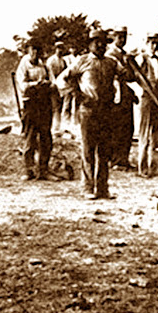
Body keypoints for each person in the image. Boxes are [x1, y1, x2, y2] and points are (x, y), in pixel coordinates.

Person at [60, 29, 134, 199]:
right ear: (90, 44)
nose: (100, 45)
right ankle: (87, 188)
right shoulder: (82, 61)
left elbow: (127, 76)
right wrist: (76, 93)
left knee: (104, 151)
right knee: (88, 149)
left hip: (106, 111)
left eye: (103, 42)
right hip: (88, 110)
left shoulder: (111, 62)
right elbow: (63, 79)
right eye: (96, 42)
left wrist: (129, 64)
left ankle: (102, 188)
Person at [15, 42, 54, 181]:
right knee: (30, 136)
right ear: (29, 50)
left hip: (44, 104)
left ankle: (43, 169)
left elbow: (53, 82)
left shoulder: (44, 65)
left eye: (38, 50)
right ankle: (29, 170)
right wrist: (36, 84)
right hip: (30, 104)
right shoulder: (24, 64)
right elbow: (22, 85)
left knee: (45, 137)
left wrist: (47, 84)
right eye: (33, 50)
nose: (35, 53)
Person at [106, 26, 138, 170]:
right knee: (116, 128)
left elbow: (130, 77)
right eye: (119, 37)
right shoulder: (110, 54)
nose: (122, 40)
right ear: (114, 37)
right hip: (115, 93)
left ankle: (123, 159)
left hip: (125, 93)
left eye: (124, 37)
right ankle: (115, 160)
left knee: (127, 127)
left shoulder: (125, 54)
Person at [136, 33, 158, 177]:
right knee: (145, 132)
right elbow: (134, 77)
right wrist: (141, 91)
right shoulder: (142, 58)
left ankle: (154, 166)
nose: (155, 46)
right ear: (147, 43)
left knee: (156, 133)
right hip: (147, 96)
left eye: (157, 43)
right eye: (152, 43)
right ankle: (143, 167)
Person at [46, 41, 67, 134]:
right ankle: (54, 127)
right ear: (55, 49)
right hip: (53, 86)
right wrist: (54, 84)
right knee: (54, 107)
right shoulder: (51, 60)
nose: (60, 50)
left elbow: (65, 73)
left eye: (62, 48)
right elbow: (50, 74)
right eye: (59, 48)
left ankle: (59, 126)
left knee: (60, 106)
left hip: (61, 87)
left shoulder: (63, 61)